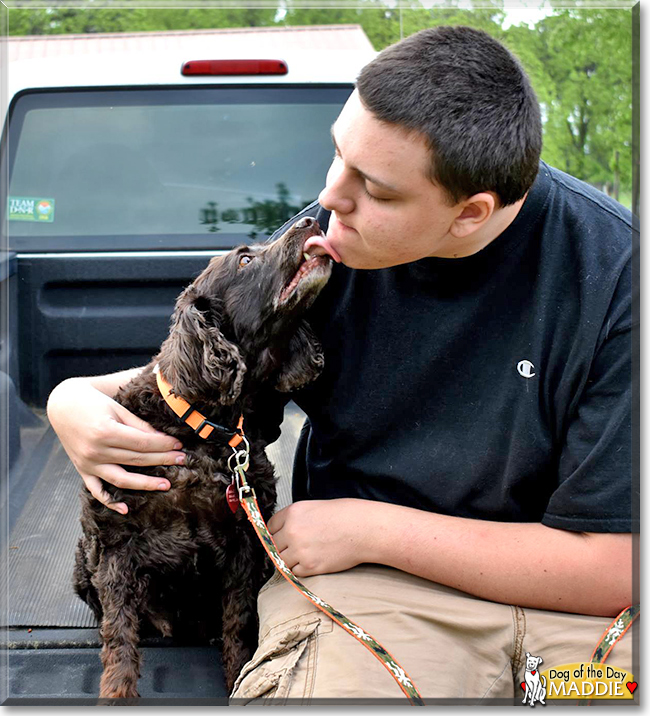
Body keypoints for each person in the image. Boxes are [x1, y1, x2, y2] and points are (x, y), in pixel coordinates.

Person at [48, 26, 637, 702]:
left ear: (470, 213)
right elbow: (204, 368)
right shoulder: (332, 247)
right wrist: (74, 399)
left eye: (379, 190)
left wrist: (367, 526)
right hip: (375, 596)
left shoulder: (618, 280)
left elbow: (618, 566)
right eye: (336, 153)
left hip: (578, 619)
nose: (331, 198)